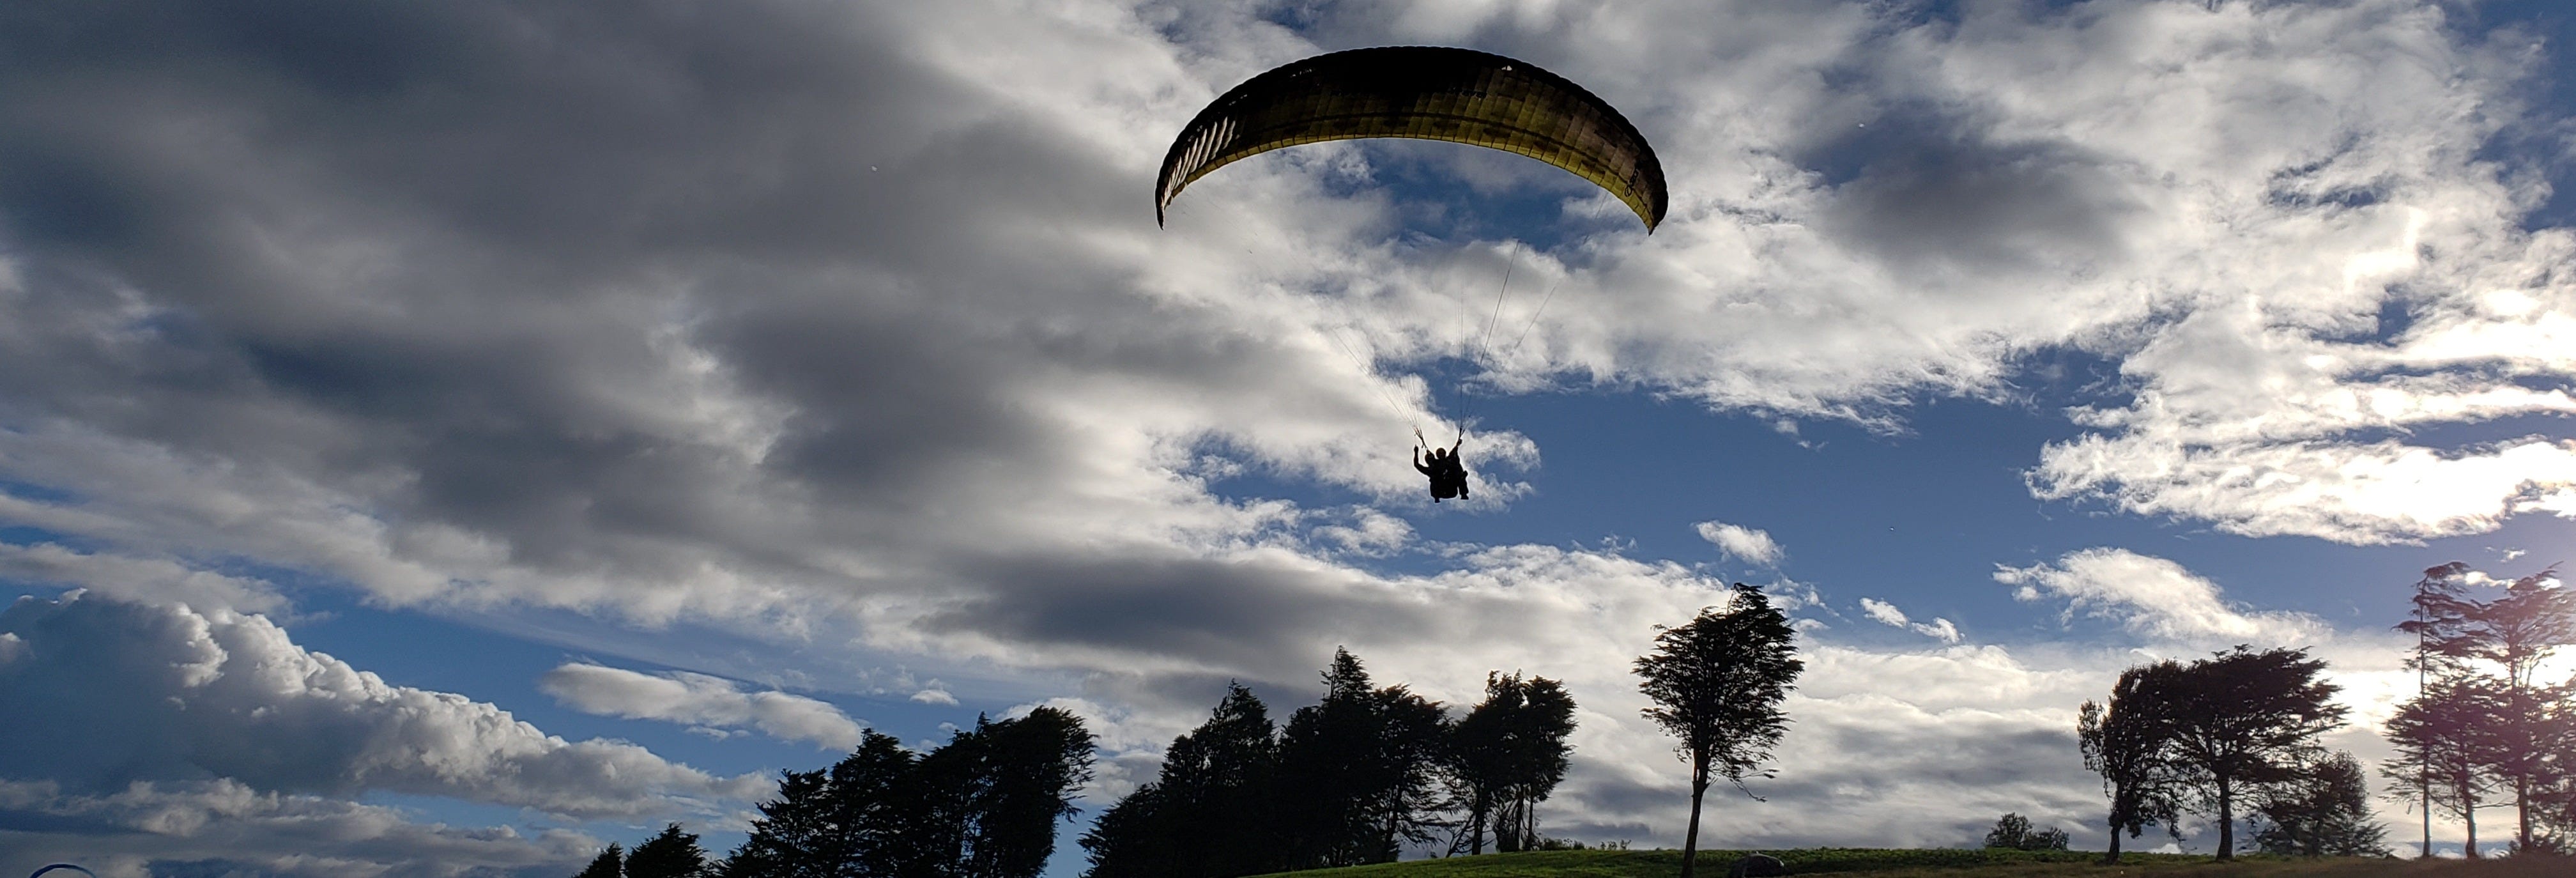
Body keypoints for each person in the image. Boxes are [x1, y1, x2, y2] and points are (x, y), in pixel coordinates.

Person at [1413, 430, 1469, 502]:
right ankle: (1436, 496)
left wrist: (1457, 446)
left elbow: (1453, 454)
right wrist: (1416, 453)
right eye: (1440, 453)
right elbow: (1417, 465)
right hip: (1440, 491)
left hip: (1452, 490)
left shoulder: (1449, 462)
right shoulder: (1434, 467)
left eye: (1442, 453)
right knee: (1434, 476)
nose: (1441, 454)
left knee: (1461, 475)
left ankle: (1464, 494)